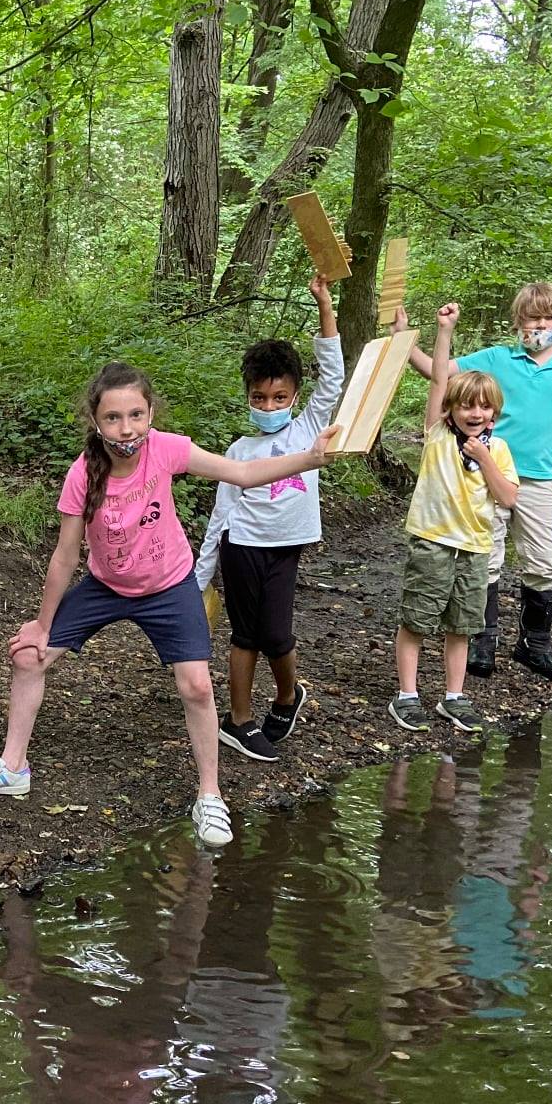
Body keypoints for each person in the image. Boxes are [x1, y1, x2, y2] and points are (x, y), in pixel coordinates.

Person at [0, 363, 336, 850]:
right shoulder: (82, 473)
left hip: (169, 585)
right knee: (29, 655)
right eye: (113, 418)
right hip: (106, 585)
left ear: (151, 413)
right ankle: (12, 767)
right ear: (95, 420)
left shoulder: (167, 449)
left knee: (196, 684)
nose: (126, 428)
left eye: (136, 414)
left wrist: (308, 458)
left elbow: (240, 472)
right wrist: (42, 624)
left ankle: (210, 796)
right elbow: (65, 554)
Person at [193, 272, 346, 762]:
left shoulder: (308, 430)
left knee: (276, 635)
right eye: (259, 398)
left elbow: (334, 375)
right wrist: (201, 575)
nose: (269, 405)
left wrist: (324, 303)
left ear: (295, 397)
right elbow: (221, 514)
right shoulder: (239, 450)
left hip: (287, 546)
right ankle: (237, 721)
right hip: (242, 547)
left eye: (279, 398)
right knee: (244, 635)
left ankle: (286, 694)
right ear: (248, 397)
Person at [407, 281, 552, 679]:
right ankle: (482, 641)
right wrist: (403, 340)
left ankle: (534, 645)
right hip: (482, 473)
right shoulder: (496, 357)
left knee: (544, 564)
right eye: (532, 317)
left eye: (550, 318)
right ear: (518, 321)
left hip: (539, 480)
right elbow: (435, 374)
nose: (540, 325)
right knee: (485, 560)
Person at [392, 303, 518, 733]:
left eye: (483, 408)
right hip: (432, 540)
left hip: (476, 547)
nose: (474, 413)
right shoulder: (438, 435)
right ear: (451, 410)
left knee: (463, 624)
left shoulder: (497, 450)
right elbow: (441, 377)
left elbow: (508, 498)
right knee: (417, 619)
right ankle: (407, 695)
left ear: (494, 414)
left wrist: (484, 459)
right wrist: (443, 331)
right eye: (465, 406)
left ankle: (453, 696)